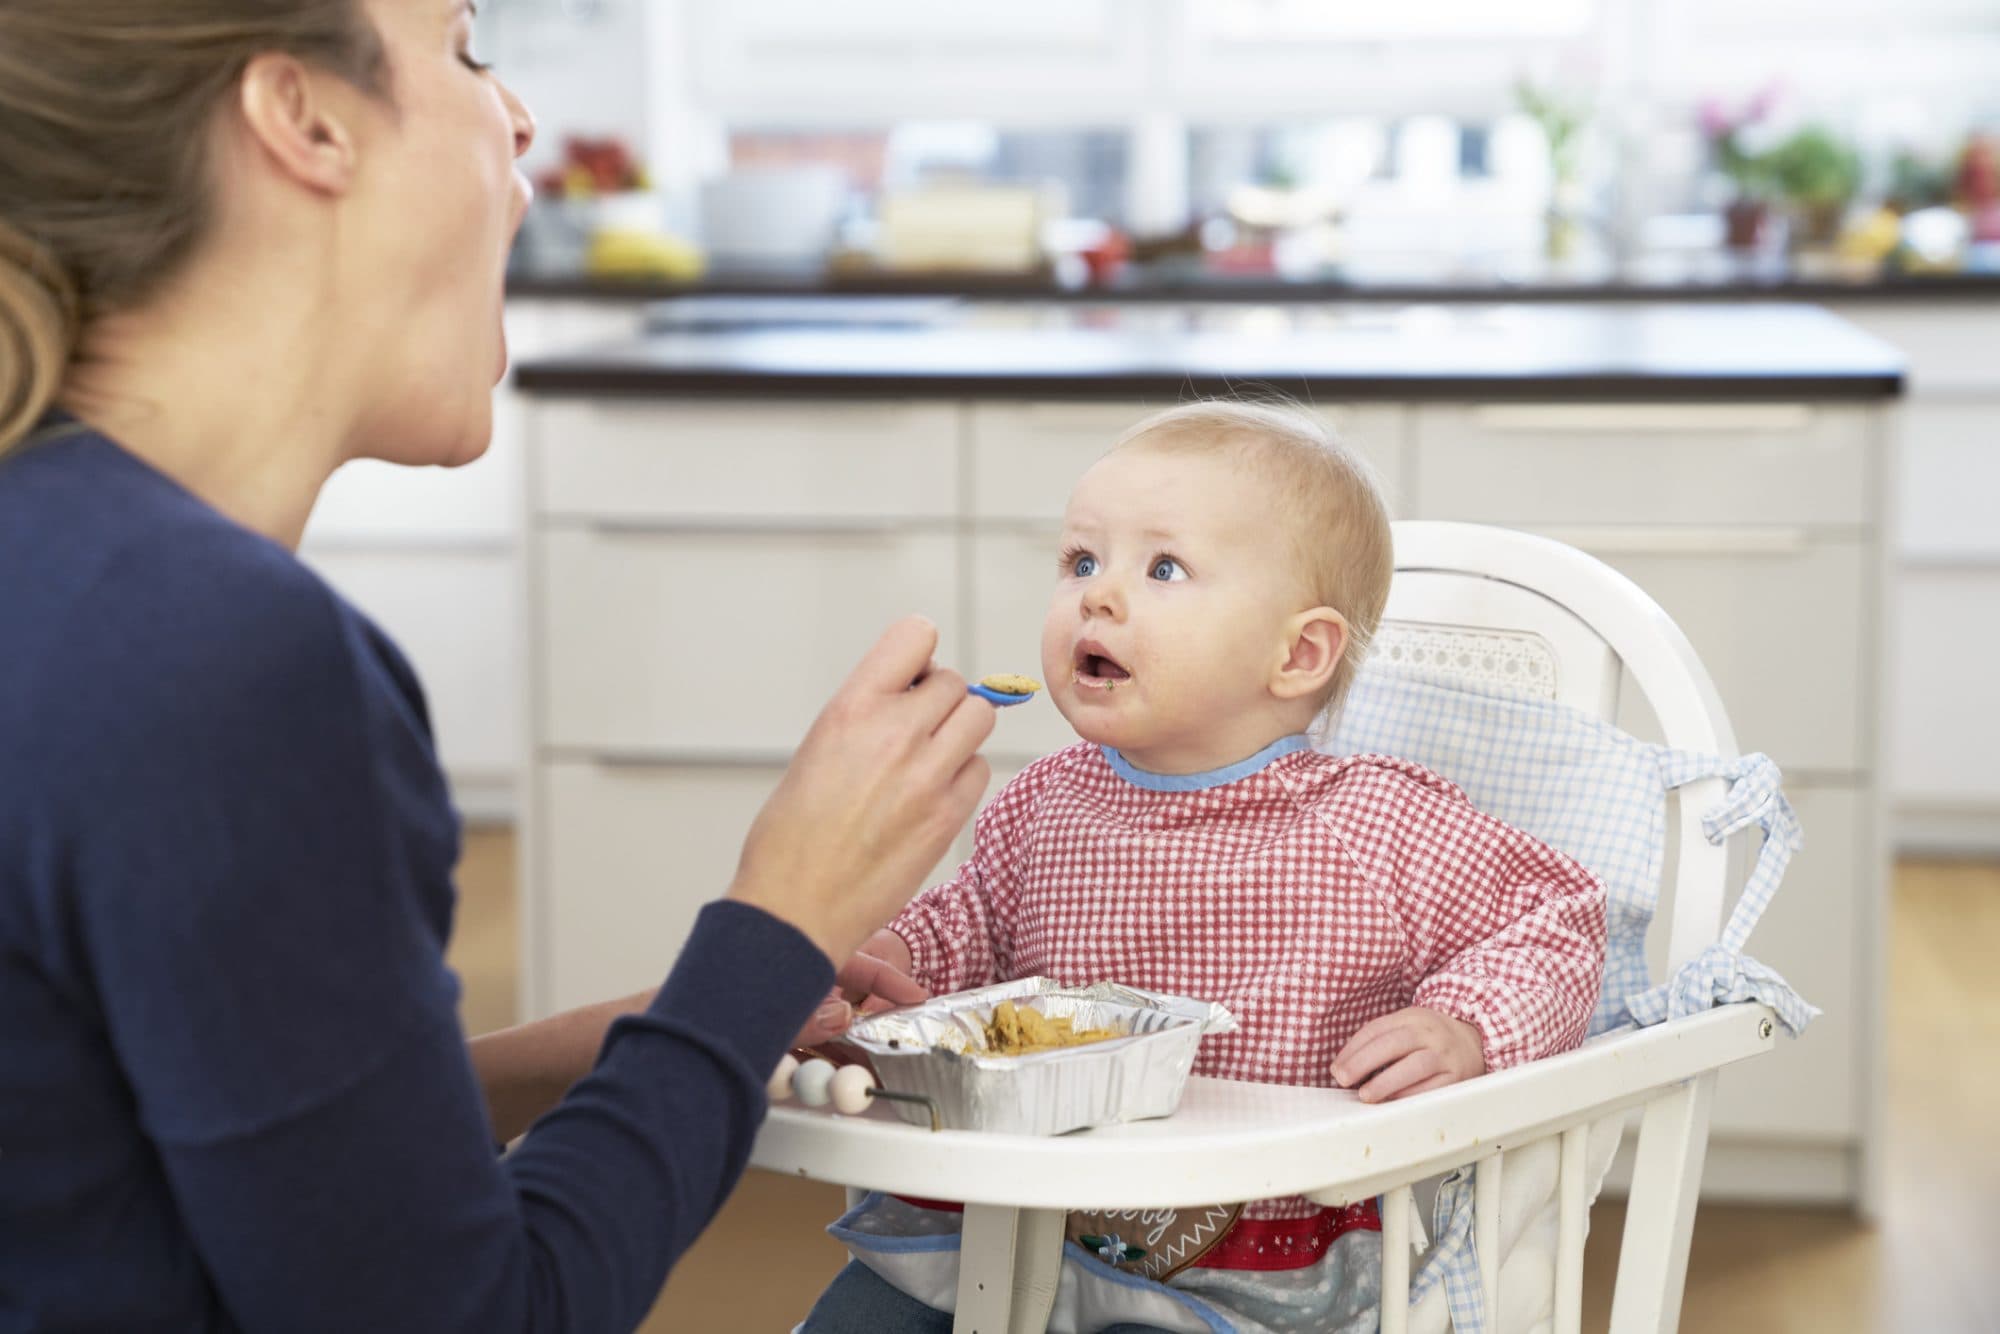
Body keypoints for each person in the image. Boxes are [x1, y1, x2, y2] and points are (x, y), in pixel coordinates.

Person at [0, 3, 992, 1330]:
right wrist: (785, 915)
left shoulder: (60, 560)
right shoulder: (223, 660)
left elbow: (221, 1146)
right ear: (302, 118)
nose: (520, 116)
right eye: (466, 49)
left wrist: (697, 1017)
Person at [803, 402, 1609, 1334]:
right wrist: (885, 953)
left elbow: (1556, 916)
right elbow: (972, 924)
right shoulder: (1044, 801)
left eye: (1164, 567)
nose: (1097, 598)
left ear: (1298, 654)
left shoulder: (1374, 818)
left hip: (1235, 1263)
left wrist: (1464, 1025)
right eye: (1081, 562)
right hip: (1017, 1220)